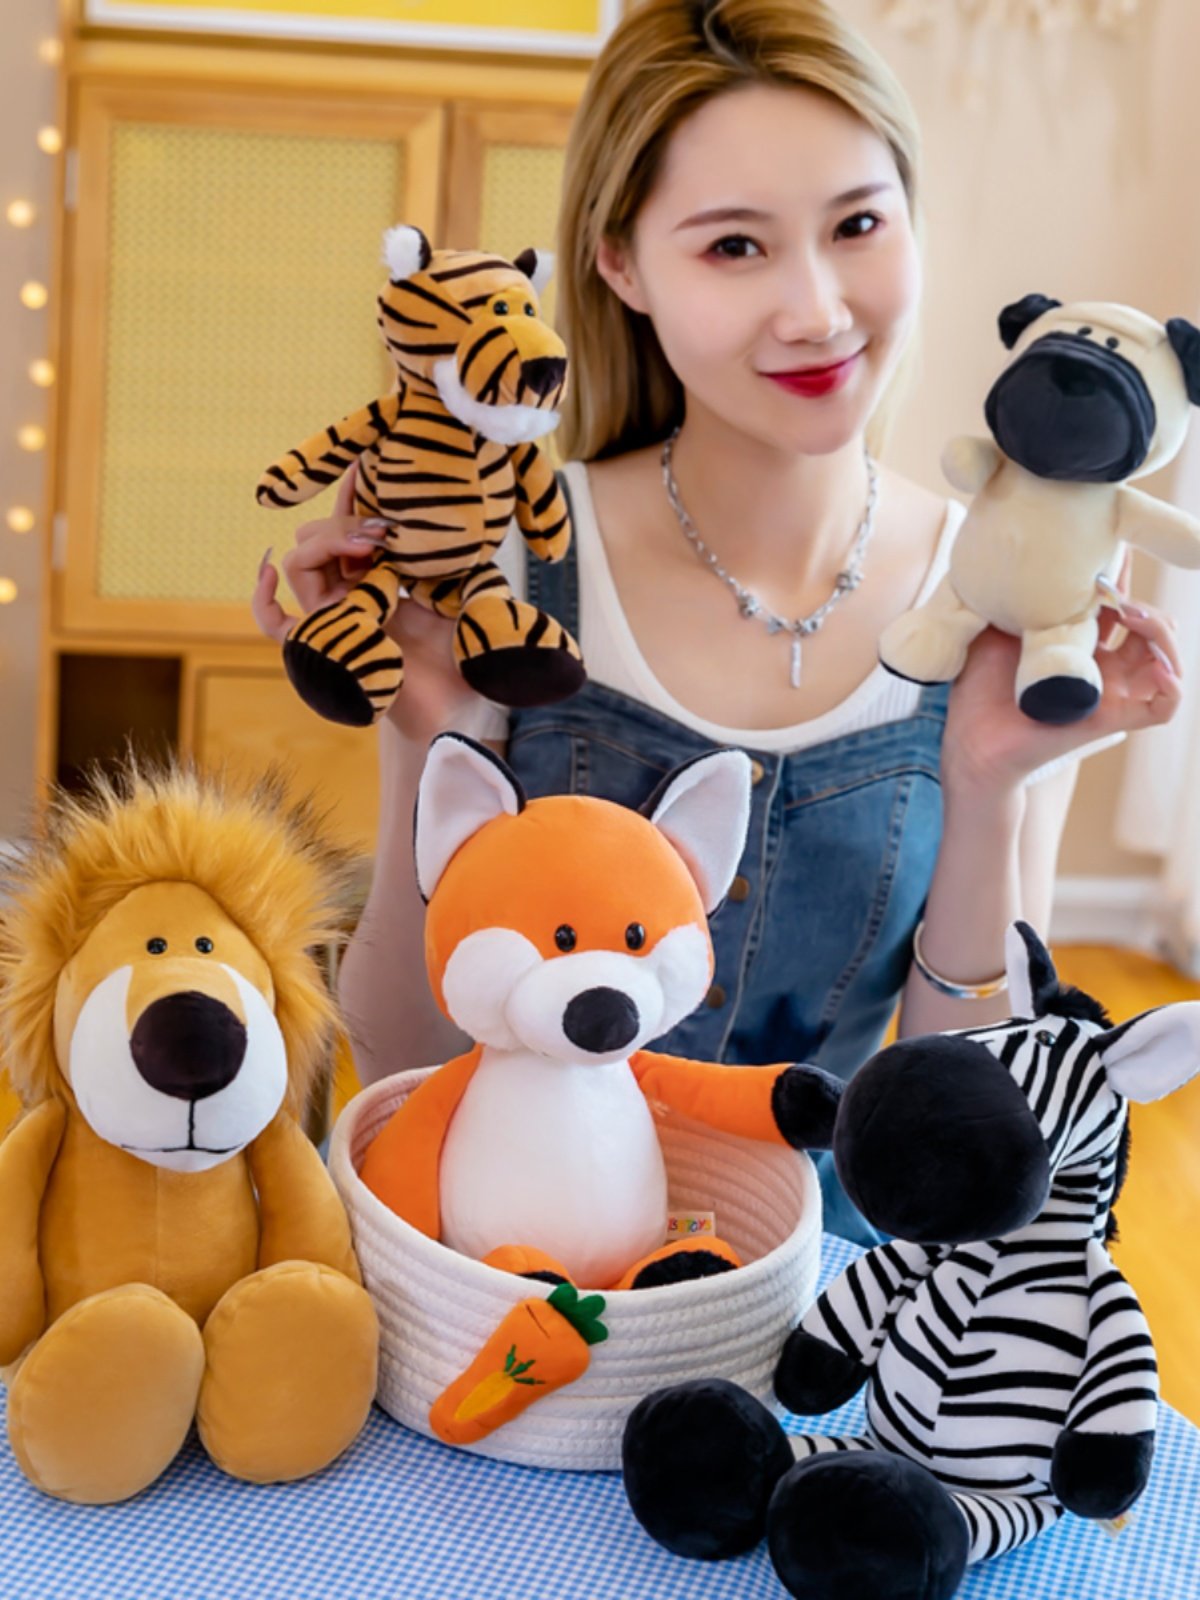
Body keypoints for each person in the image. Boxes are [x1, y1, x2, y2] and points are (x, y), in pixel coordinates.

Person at [252, 0, 1181, 1243]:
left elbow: (966, 1126)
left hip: (828, 1287)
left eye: (857, 225)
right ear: (621, 264)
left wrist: (989, 782)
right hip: (513, 1274)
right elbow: (407, 1068)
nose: (816, 309)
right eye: (735, 246)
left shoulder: (1003, 603)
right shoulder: (507, 567)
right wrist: (435, 734)